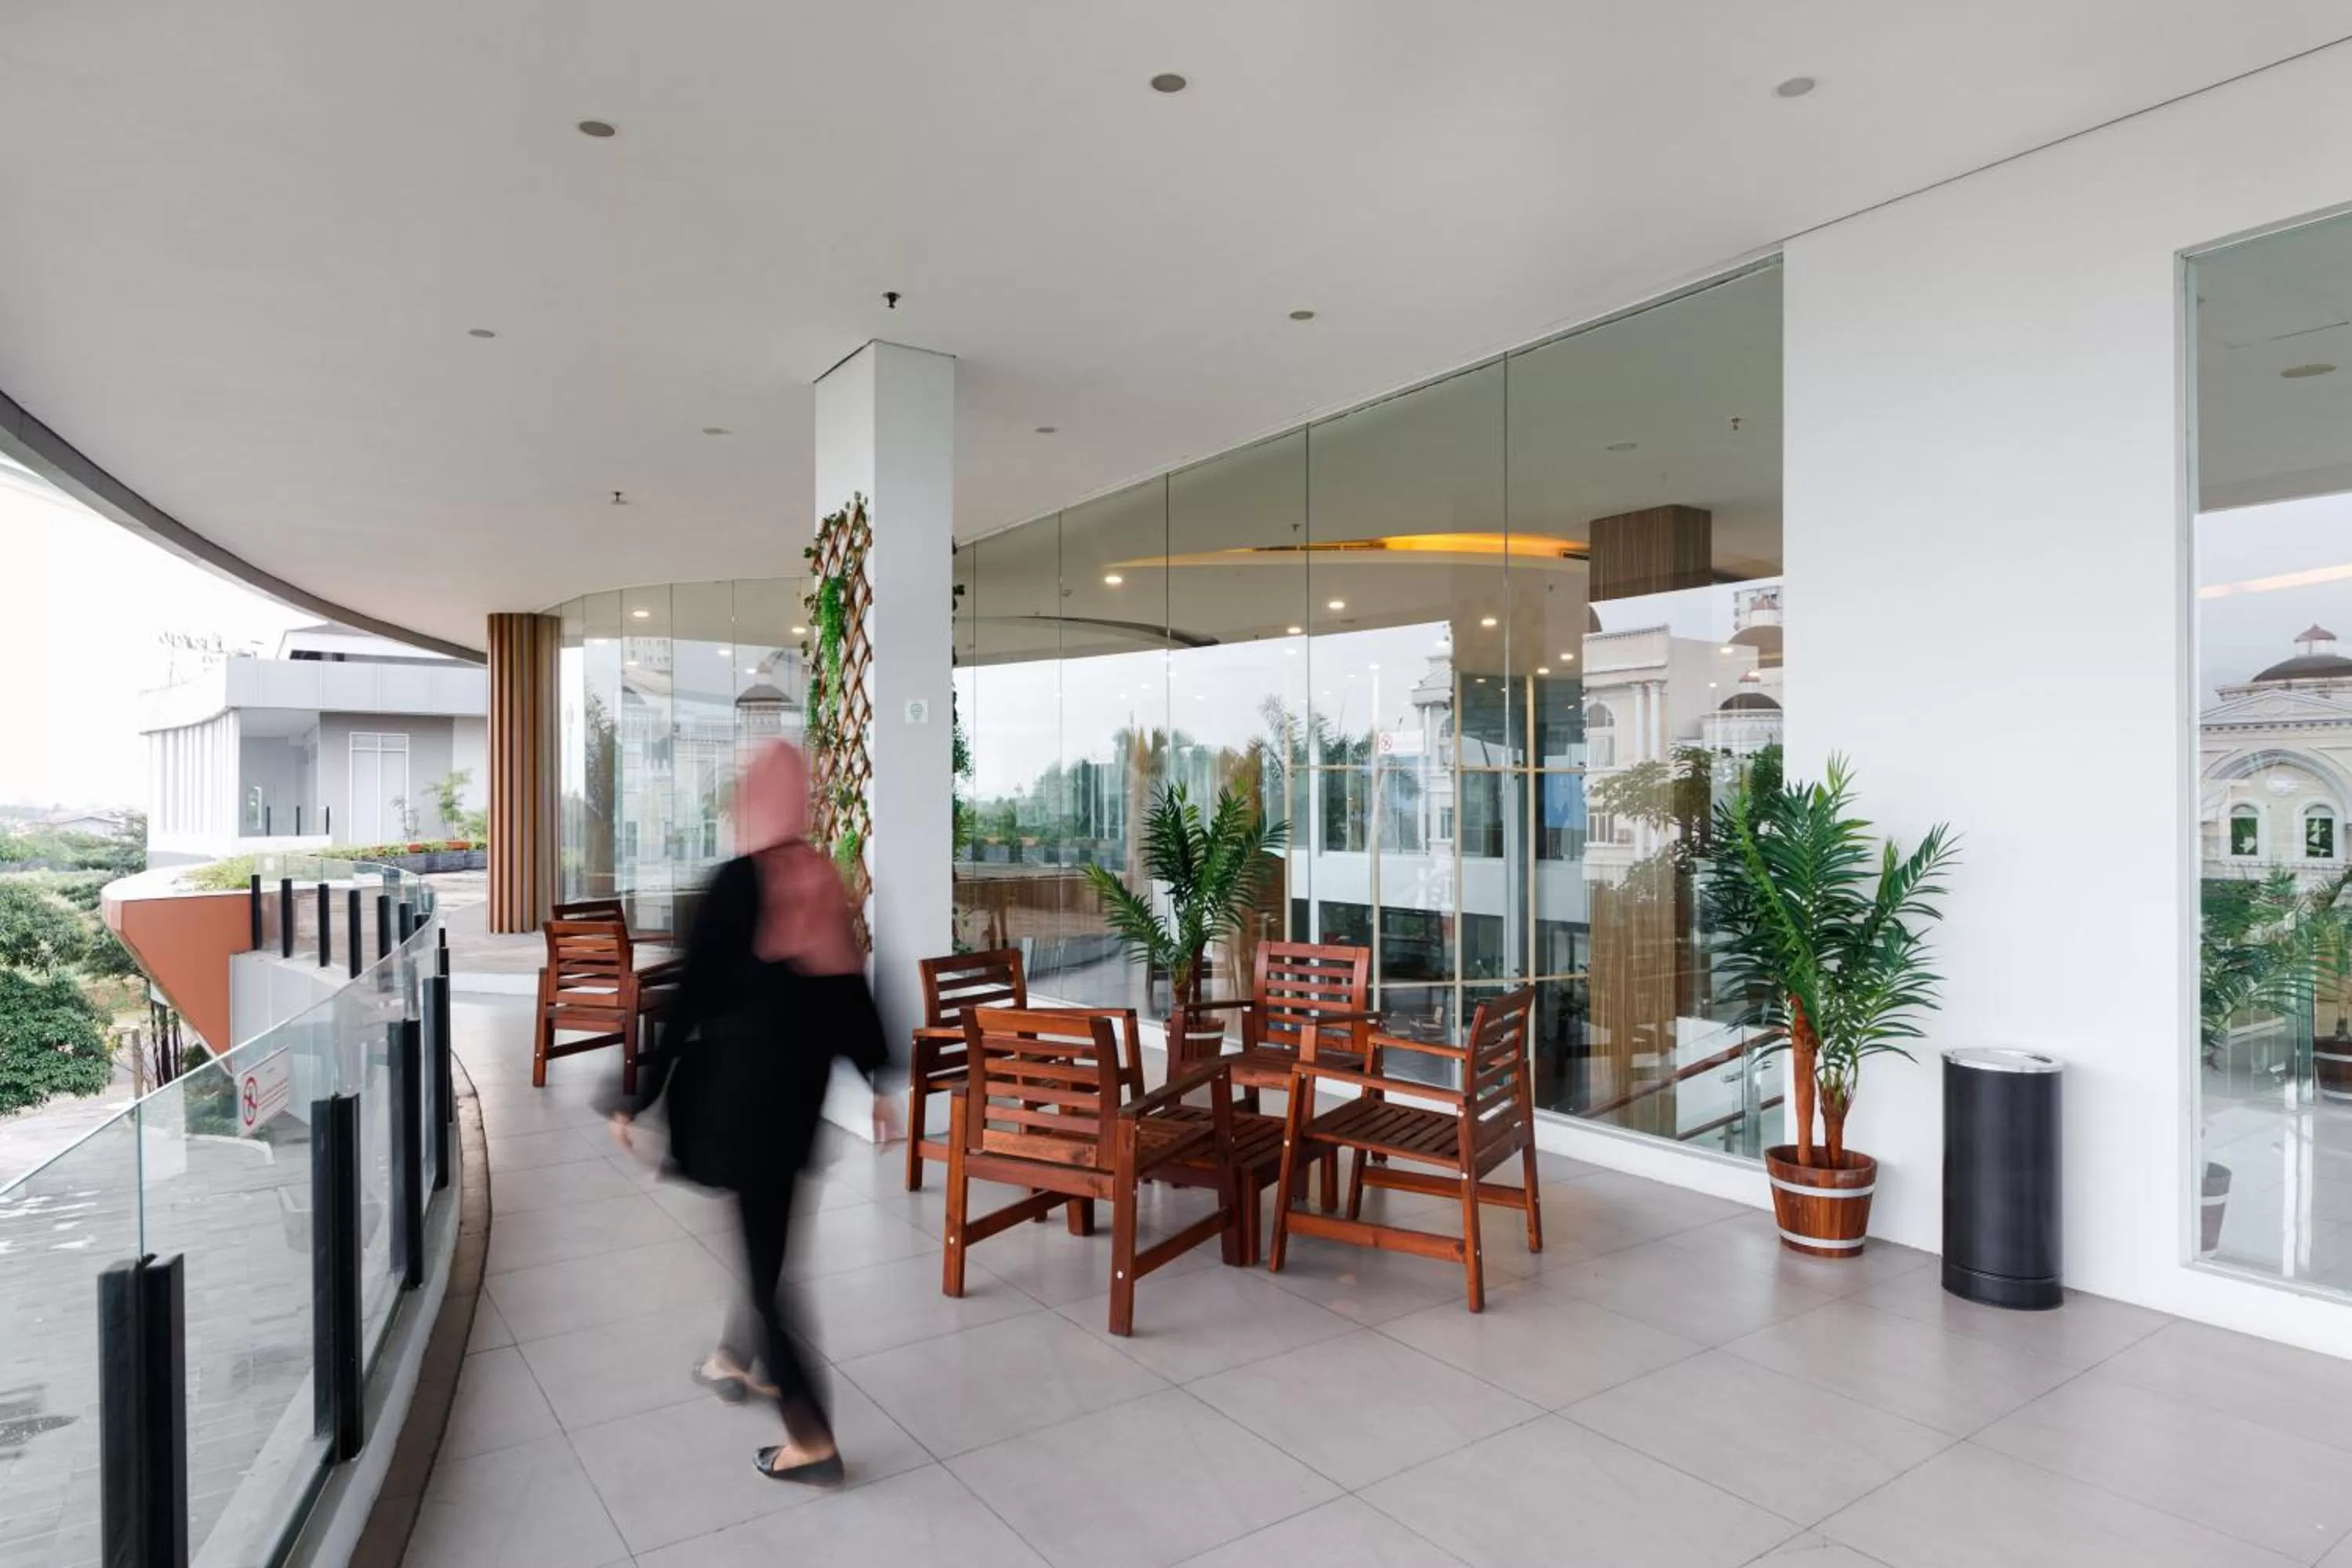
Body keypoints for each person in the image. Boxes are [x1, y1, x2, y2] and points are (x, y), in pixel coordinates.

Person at [607, 740, 900, 1483]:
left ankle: (812, 1436)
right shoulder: (819, 880)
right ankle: (736, 1358)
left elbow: (686, 999)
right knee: (767, 1240)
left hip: (742, 1106)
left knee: (768, 1270)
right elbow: (850, 995)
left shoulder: (738, 884)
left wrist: (637, 1096)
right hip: (799, 1105)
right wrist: (877, 1084)